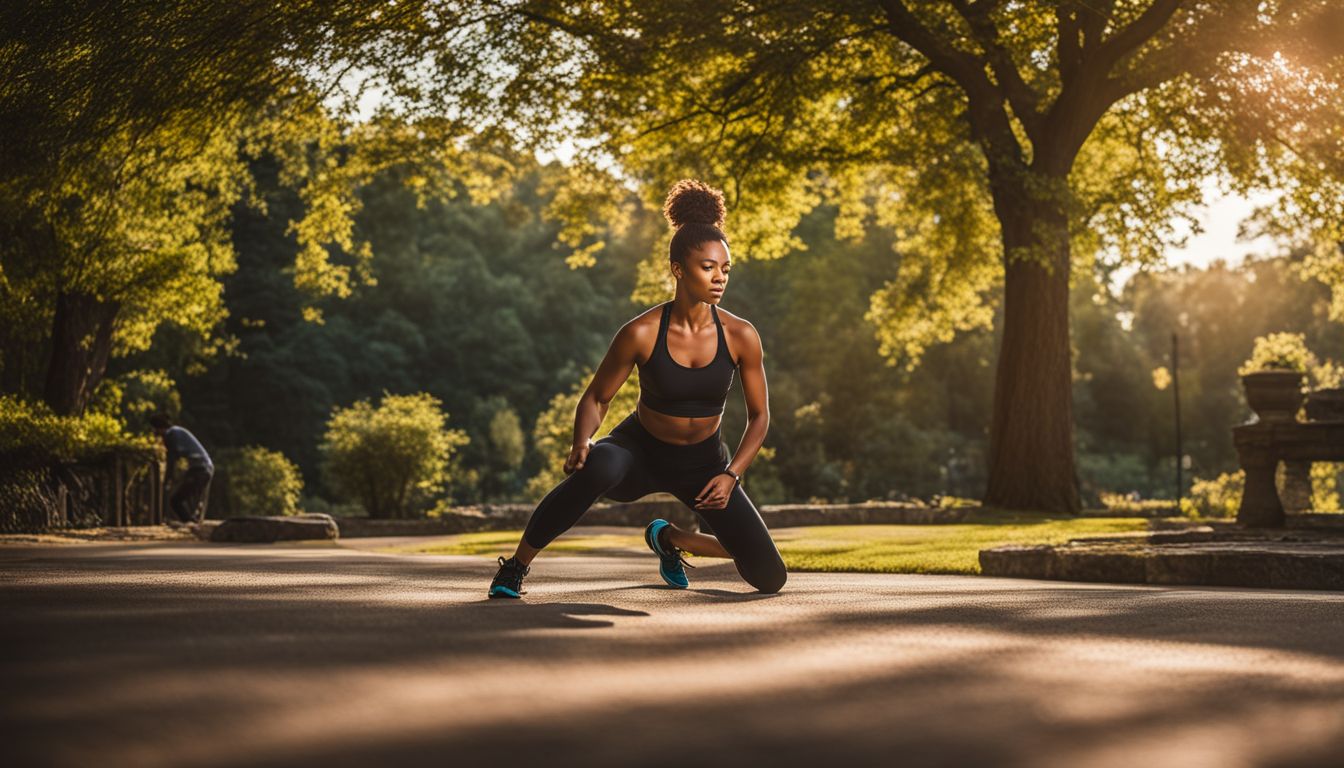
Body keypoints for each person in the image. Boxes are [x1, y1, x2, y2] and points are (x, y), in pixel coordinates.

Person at [489, 179, 786, 599]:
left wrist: (731, 474)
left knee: (769, 575)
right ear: (678, 269)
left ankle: (670, 539)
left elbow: (760, 416)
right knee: (601, 466)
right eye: (708, 267)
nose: (720, 277)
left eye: (725, 268)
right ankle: (515, 567)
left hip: (704, 465)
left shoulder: (741, 335)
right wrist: (582, 440)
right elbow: (598, 396)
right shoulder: (641, 332)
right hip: (638, 452)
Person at [149, 414, 214, 524]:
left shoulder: (171, 435)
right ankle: (192, 521)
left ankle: (189, 523)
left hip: (199, 469)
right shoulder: (177, 431)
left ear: (158, 428)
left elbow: (172, 459)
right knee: (191, 499)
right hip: (206, 467)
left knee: (176, 501)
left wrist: (167, 480)